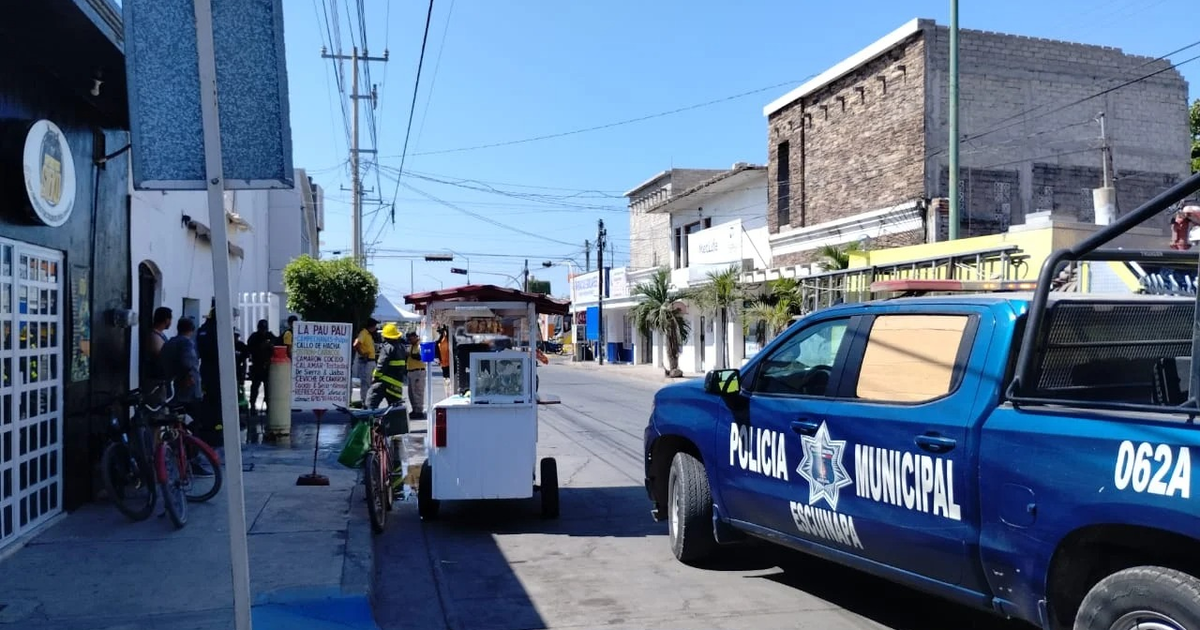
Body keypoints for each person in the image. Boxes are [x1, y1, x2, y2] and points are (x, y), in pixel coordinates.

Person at [365, 323, 408, 420]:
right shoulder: (401, 347)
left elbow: (381, 365)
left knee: (371, 402)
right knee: (394, 408)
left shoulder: (387, 348)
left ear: (386, 336)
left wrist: (375, 377)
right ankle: (396, 428)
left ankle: (370, 424)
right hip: (396, 384)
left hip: (384, 381)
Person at [245, 319, 276, 415]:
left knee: (268, 388)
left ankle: (269, 407)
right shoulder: (254, 337)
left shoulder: (269, 336)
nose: (263, 331)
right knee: (255, 387)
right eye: (262, 329)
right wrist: (261, 347)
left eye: (264, 329)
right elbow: (249, 349)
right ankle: (253, 406)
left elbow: (277, 344)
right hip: (257, 366)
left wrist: (270, 345)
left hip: (267, 366)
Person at [142, 306, 173, 384]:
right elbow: (160, 356)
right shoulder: (154, 336)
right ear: (167, 320)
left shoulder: (159, 334)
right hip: (156, 379)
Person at [353, 319, 379, 406]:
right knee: (366, 383)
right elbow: (356, 344)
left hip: (371, 361)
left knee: (371, 382)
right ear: (371, 326)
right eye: (375, 326)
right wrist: (362, 354)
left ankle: (368, 401)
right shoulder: (364, 333)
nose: (375, 329)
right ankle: (365, 402)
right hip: (366, 362)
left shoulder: (368, 335)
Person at [405, 331, 427, 419]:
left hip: (418, 371)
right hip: (411, 371)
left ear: (415, 337)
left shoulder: (420, 345)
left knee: (418, 392)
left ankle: (419, 411)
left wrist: (409, 354)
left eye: (411, 338)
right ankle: (414, 409)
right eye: (409, 339)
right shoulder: (411, 346)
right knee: (411, 393)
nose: (410, 340)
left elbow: (420, 357)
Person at [436, 326, 452, 397]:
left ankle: (449, 394)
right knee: (446, 380)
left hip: (449, 363)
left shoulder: (447, 339)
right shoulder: (441, 340)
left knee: (448, 380)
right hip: (444, 363)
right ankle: (447, 394)